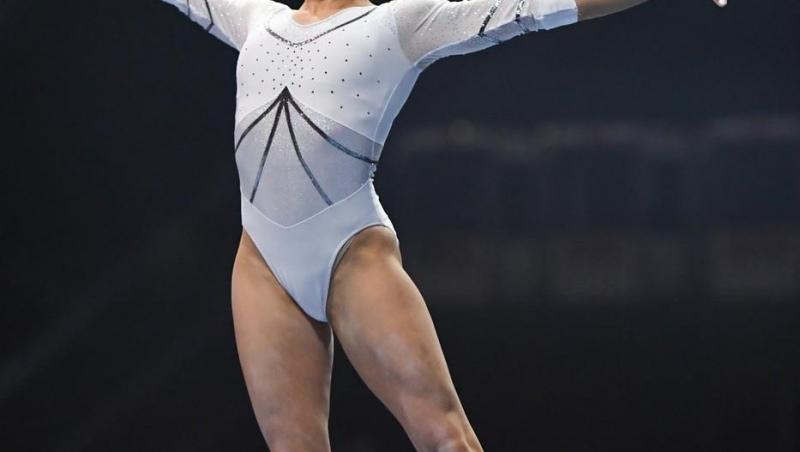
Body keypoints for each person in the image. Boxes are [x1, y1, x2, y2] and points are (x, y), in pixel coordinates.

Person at [159, 0, 727, 450]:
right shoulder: (257, 20)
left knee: (444, 438)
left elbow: (532, 7)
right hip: (260, 265)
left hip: (348, 255)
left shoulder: (398, 24)